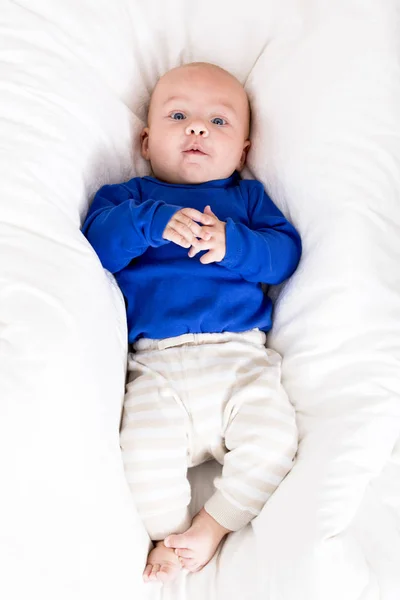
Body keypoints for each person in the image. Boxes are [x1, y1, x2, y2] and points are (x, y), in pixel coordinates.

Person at [82, 62, 302, 585]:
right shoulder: (128, 199)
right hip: (157, 369)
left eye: (218, 122)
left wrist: (235, 242)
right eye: (178, 115)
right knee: (140, 461)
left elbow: (284, 255)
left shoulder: (246, 201)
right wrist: (151, 222)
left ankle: (213, 525)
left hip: (239, 359)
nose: (197, 129)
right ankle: (169, 533)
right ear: (146, 139)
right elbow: (98, 246)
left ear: (244, 152)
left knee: (276, 443)